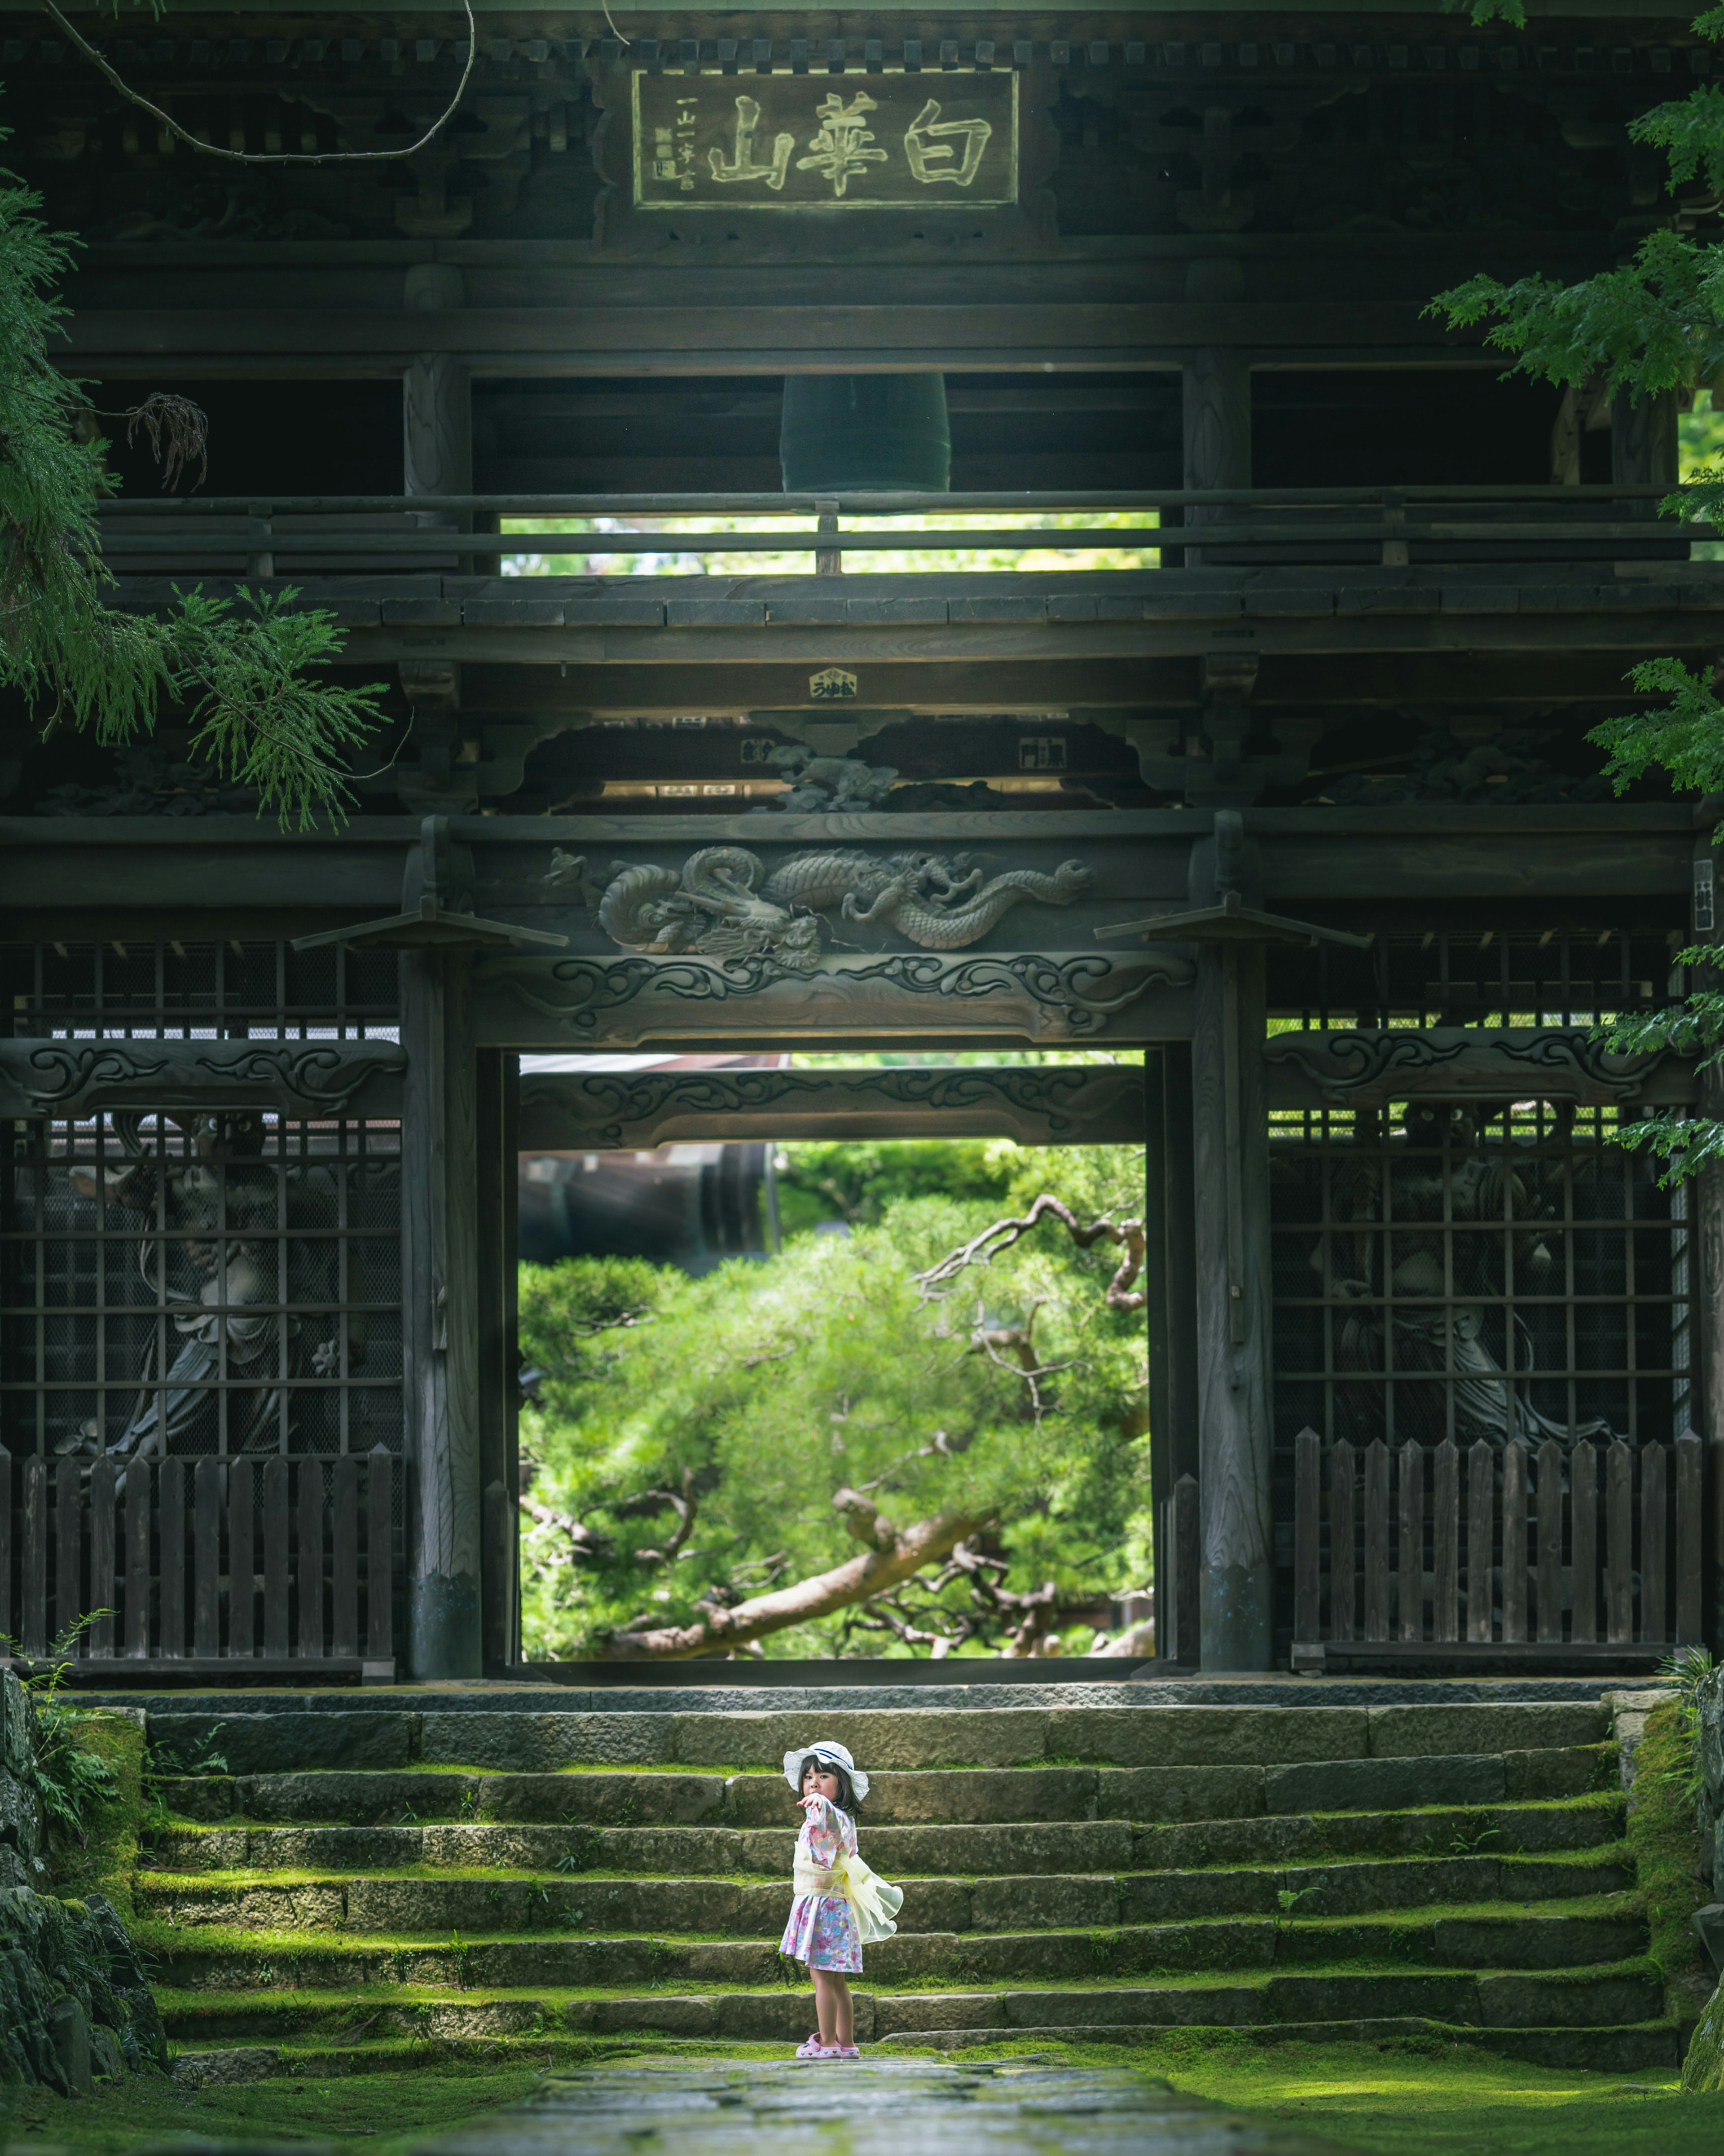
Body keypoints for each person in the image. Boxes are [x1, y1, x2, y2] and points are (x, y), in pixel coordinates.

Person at [779, 1740, 902, 2059]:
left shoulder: (828, 1813)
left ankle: (828, 2042)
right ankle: (847, 2043)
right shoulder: (845, 1818)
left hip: (824, 1905)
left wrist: (817, 1802)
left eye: (823, 1776)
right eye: (808, 1777)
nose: (814, 1783)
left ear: (841, 1783)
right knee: (837, 1981)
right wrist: (819, 1803)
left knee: (821, 1977)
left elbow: (823, 1816)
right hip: (835, 1904)